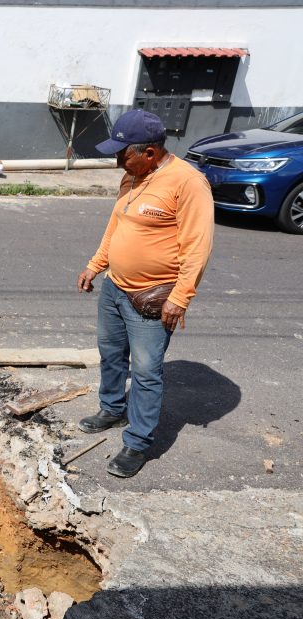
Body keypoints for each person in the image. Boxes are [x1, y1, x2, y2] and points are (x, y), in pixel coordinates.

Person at [77, 109, 214, 478]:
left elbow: (197, 246)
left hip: (152, 299)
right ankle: (111, 407)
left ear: (150, 152)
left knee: (147, 372)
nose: (118, 160)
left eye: (124, 153)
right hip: (115, 288)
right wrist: (97, 263)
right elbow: (116, 223)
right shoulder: (133, 176)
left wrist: (180, 296)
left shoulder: (187, 183)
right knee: (110, 353)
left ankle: (137, 442)